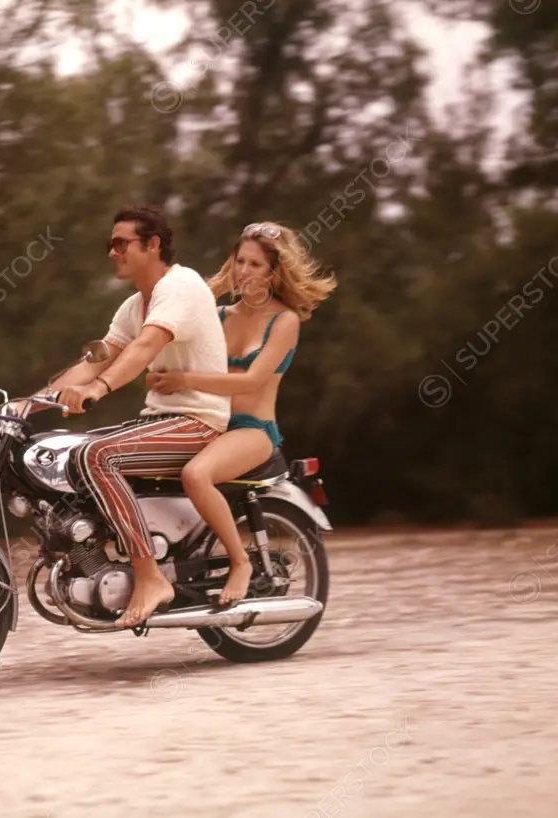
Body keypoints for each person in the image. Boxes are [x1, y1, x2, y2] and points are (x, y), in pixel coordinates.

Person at [25, 204, 232, 628]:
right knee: (68, 452)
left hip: (200, 420)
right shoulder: (133, 306)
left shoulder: (182, 285)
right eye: (110, 244)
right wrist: (27, 404)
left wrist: (97, 389)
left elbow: (143, 349)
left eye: (121, 243)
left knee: (95, 456)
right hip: (160, 421)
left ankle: (150, 575)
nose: (112, 252)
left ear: (152, 244)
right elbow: (95, 359)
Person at [146, 221, 336, 605]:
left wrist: (184, 377)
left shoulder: (285, 321)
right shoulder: (216, 314)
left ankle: (240, 563)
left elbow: (251, 381)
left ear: (274, 272)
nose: (244, 271)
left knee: (196, 474)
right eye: (240, 261)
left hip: (252, 431)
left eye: (255, 264)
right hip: (206, 420)